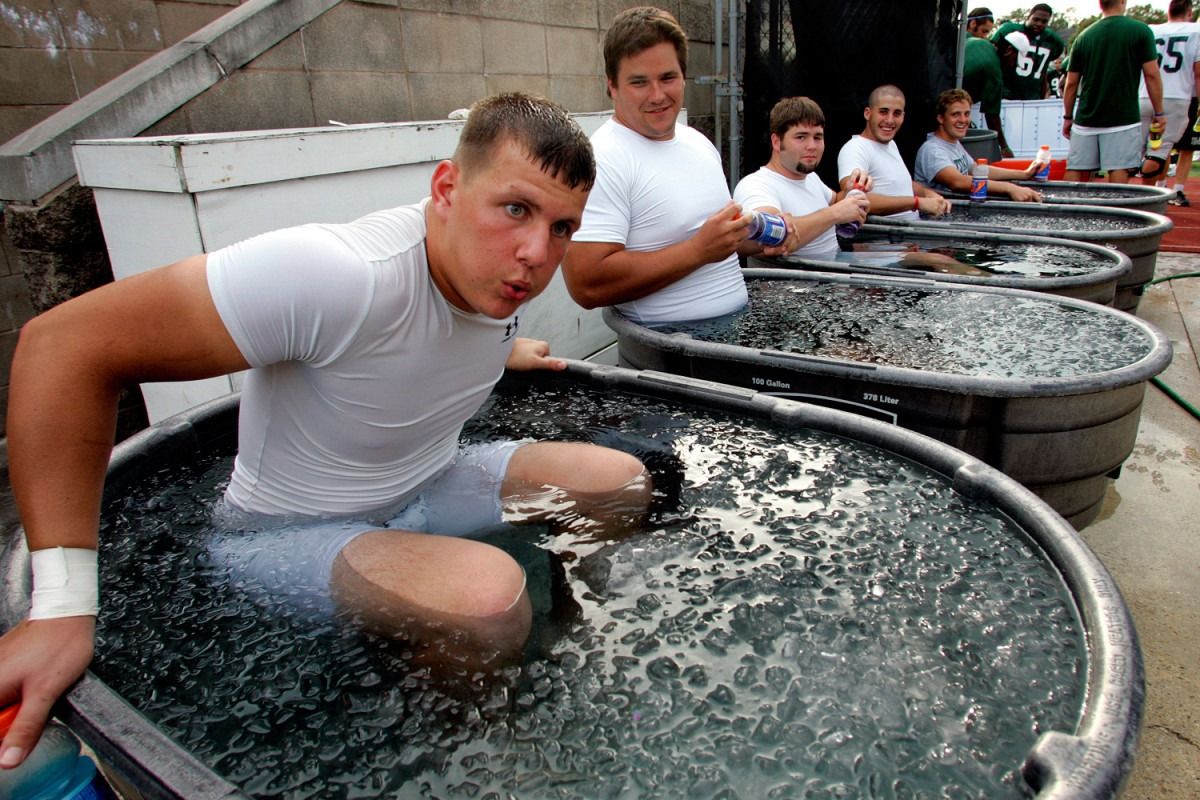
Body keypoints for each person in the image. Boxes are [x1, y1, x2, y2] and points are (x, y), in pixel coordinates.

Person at [0, 92, 652, 768]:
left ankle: (565, 624)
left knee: (619, 483)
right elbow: (62, 348)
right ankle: (461, 753)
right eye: (515, 208)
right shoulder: (340, 274)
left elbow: (420, 345)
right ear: (447, 188)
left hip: (430, 481)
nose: (535, 253)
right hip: (287, 532)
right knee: (488, 601)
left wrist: (505, 350)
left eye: (562, 228)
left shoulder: (494, 277)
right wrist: (61, 607)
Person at [562, 7, 791, 325]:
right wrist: (698, 250)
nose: (657, 95)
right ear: (612, 86)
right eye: (639, 82)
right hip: (670, 353)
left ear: (683, 76)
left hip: (736, 329)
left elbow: (719, 242)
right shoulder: (602, 158)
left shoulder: (699, 143)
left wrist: (762, 237)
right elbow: (586, 283)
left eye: (667, 78)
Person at [732, 96, 872, 260]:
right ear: (777, 142)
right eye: (801, 137)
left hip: (834, 274)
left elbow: (836, 202)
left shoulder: (810, 178)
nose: (812, 146)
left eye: (817, 137)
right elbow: (775, 233)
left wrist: (853, 190)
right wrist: (835, 214)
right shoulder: (756, 185)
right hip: (793, 283)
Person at [1062, 0, 1164, 183]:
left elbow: (1071, 83)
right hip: (1122, 117)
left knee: (1076, 168)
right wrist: (1159, 111)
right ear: (1123, 2)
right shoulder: (1140, 31)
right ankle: (1115, 209)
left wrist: (1068, 116)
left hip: (1086, 117)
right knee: (1118, 168)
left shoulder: (1084, 36)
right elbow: (1152, 75)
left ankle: (1071, 210)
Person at [836, 85, 952, 220]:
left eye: (896, 113)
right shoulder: (855, 148)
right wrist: (917, 202)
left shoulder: (890, 144)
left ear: (903, 116)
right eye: (883, 112)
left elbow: (900, 183)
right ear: (868, 113)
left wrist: (928, 194)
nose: (890, 120)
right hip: (883, 238)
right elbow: (852, 198)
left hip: (909, 234)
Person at [914, 88, 1044, 201]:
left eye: (966, 114)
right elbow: (957, 182)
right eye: (955, 114)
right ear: (941, 118)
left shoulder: (953, 143)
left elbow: (976, 170)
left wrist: (1023, 174)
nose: (963, 120)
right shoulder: (932, 150)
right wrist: (1008, 188)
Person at [1137, 0, 1200, 194]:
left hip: (1144, 94)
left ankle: (1150, 190)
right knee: (1158, 152)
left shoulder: (1151, 30)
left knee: (1135, 151)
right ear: (1189, 12)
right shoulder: (1195, 31)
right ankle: (1145, 198)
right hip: (1175, 97)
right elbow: (1198, 72)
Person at [964, 30, 1027, 157]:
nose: (1013, 65)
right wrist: (1004, 147)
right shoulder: (994, 70)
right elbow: (992, 116)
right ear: (1009, 50)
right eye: (1015, 60)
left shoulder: (980, 42)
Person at [992, 4, 1067, 100]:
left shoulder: (1053, 40)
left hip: (1033, 95)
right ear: (1028, 17)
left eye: (1044, 21)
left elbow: (1043, 70)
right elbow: (992, 56)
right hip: (1006, 94)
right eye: (1036, 19)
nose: (1039, 23)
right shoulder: (1009, 31)